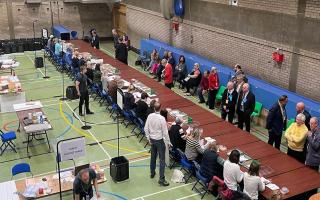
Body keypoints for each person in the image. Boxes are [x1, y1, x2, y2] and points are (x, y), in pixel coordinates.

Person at [144, 102, 171, 186]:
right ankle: (161, 179)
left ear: (154, 108)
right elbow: (165, 132)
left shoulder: (150, 116)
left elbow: (146, 128)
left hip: (152, 140)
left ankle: (152, 173)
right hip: (159, 141)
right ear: (160, 108)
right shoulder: (162, 118)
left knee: (153, 157)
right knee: (162, 160)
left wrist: (148, 138)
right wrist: (168, 141)